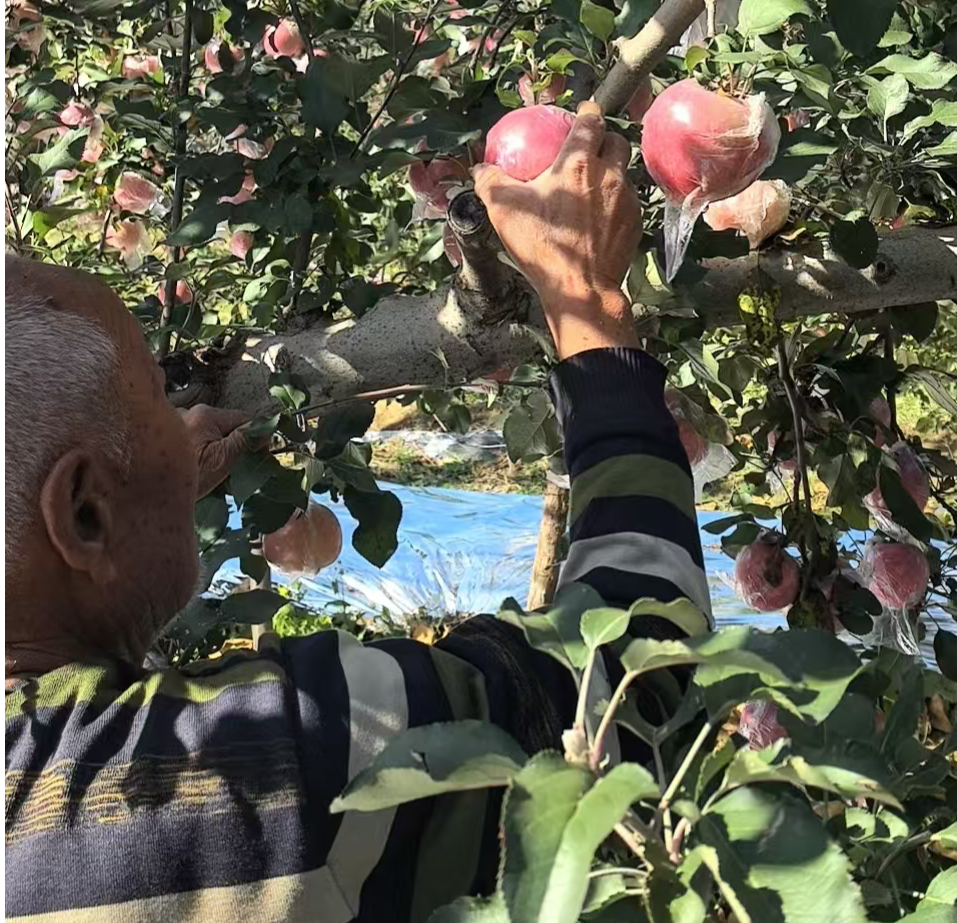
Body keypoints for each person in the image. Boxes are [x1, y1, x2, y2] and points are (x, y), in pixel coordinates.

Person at [5, 103, 709, 922]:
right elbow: (631, 682)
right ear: (84, 513)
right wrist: (589, 305)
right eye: (158, 399)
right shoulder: (249, 774)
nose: (183, 418)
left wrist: (141, 496)